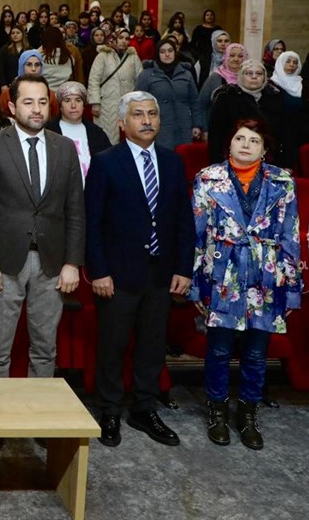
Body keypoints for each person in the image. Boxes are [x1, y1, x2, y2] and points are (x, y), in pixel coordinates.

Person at [85, 92, 194, 448]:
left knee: (152, 345)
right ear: (122, 122)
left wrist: (184, 268)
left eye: (152, 114)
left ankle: (144, 408)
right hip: (117, 274)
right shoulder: (105, 162)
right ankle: (110, 409)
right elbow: (92, 223)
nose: (146, 120)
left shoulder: (172, 162)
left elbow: (183, 220)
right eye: (138, 114)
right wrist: (99, 271)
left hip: (161, 272)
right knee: (113, 345)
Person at [190, 119, 302, 450]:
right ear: (229, 143)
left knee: (255, 352)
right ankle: (217, 410)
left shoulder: (282, 181)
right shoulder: (207, 178)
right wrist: (195, 284)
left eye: (254, 141)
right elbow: (197, 234)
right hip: (221, 273)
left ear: (264, 150)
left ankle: (248, 413)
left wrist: (290, 289)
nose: (245, 145)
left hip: (265, 276)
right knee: (219, 348)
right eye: (240, 138)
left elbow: (291, 236)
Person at [0, 75, 84, 384]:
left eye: (42, 102)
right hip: (4, 264)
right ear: (12, 107)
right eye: (28, 102)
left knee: (46, 349)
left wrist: (72, 263)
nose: (36, 109)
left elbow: (75, 210)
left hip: (52, 263)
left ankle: (40, 410)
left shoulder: (65, 148)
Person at [135, 38, 200, 150]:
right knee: (162, 156)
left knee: (183, 157)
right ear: (157, 54)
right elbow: (137, 103)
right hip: (157, 127)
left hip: (183, 127)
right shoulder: (147, 75)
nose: (167, 54)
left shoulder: (186, 74)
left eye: (170, 50)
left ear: (175, 52)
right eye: (163, 51)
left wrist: (197, 125)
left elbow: (195, 102)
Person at [45, 81, 110, 185]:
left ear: (83, 105)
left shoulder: (96, 133)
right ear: (60, 106)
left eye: (78, 100)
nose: (73, 105)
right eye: (67, 100)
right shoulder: (49, 131)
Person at [88, 28, 144, 144]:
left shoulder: (133, 57)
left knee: (130, 136)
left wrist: (138, 102)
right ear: (114, 39)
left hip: (128, 103)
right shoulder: (103, 56)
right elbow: (94, 80)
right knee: (107, 136)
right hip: (107, 103)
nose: (124, 41)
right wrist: (95, 102)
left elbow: (140, 81)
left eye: (127, 38)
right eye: (121, 38)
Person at [198, 41, 246, 128]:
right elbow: (201, 105)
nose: (236, 59)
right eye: (232, 55)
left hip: (241, 129)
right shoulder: (215, 77)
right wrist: (204, 129)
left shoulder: (247, 78)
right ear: (226, 57)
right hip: (216, 127)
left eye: (240, 56)